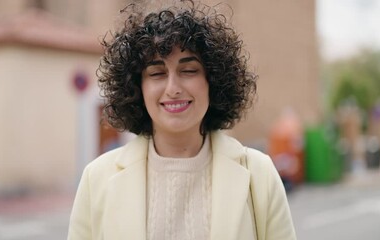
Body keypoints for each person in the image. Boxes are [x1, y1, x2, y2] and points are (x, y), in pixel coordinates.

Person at [68, 1, 296, 239]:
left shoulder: (260, 174)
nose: (173, 88)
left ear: (213, 81)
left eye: (188, 71)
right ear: (138, 88)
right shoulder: (96, 179)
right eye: (157, 73)